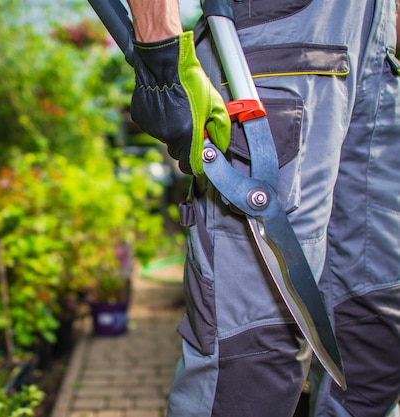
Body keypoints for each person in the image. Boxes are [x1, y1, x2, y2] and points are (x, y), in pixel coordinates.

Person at [125, 0, 400, 415]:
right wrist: (160, 55)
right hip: (280, 33)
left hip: (379, 49)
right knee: (254, 352)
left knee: (377, 324)